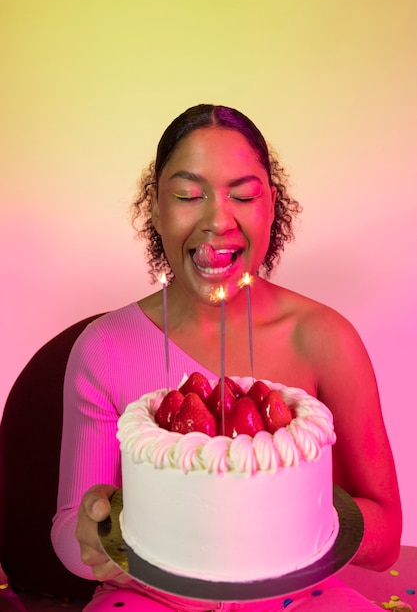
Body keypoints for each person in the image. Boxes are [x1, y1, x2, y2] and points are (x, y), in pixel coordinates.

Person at [51, 104, 402, 611]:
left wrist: (292, 517)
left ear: (272, 205)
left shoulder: (326, 339)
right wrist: (87, 539)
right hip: (149, 598)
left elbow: (385, 536)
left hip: (301, 597)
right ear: (154, 206)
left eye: (242, 195)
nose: (218, 219)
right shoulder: (104, 348)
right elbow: (70, 525)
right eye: (188, 195)